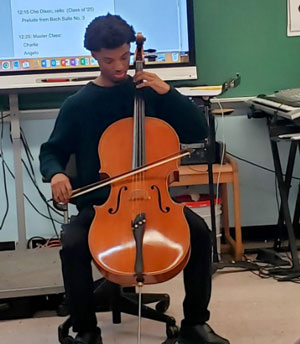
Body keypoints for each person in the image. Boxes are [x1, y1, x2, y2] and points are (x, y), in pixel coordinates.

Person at [39, 14, 230, 344]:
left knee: (199, 233)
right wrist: (55, 173)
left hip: (156, 201)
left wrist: (168, 92)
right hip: (102, 204)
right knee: (71, 245)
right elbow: (51, 151)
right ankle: (86, 330)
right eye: (109, 59)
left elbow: (198, 133)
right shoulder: (78, 105)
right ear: (95, 57)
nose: (119, 67)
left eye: (125, 57)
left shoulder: (150, 92)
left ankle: (196, 324)